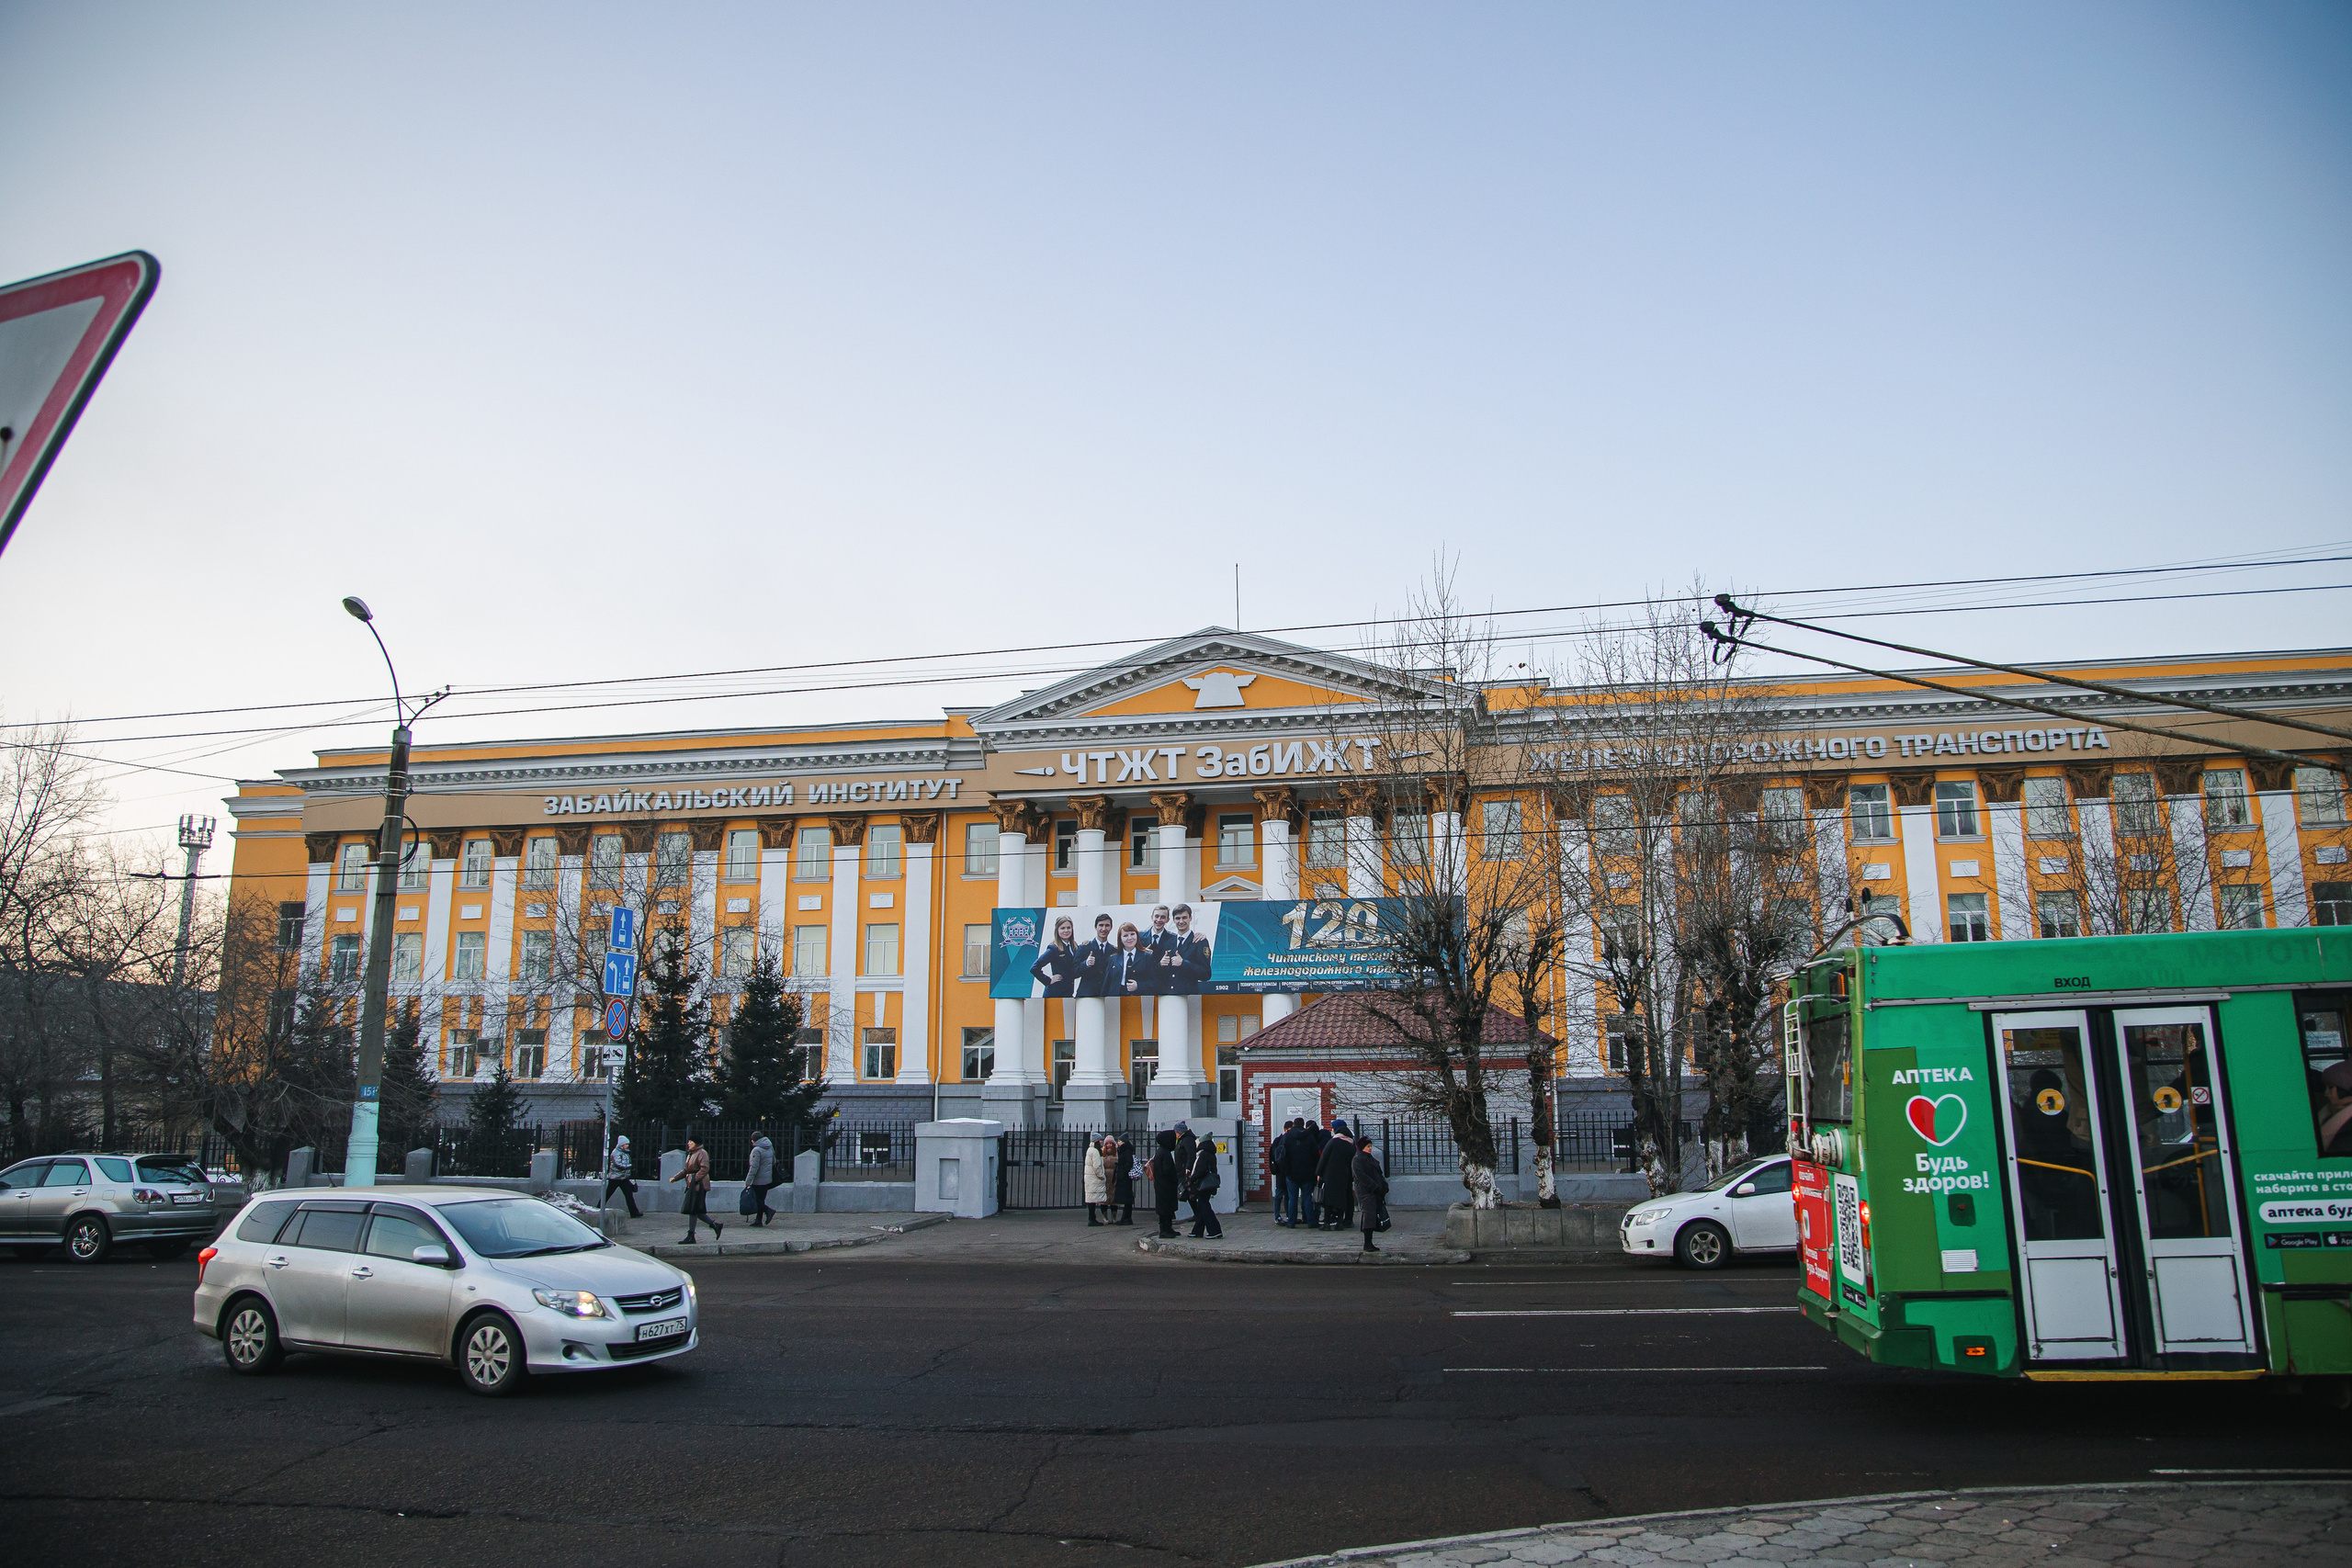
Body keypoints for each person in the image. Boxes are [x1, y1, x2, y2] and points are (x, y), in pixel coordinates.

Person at [671, 1137, 722, 1245]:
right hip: (693, 1184)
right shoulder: (691, 1153)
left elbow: (705, 1168)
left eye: (691, 1142)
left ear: (696, 1143)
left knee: (693, 1210)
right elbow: (686, 1170)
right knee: (696, 1210)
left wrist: (695, 1179)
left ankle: (691, 1236)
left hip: (699, 1185)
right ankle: (715, 1226)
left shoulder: (701, 1153)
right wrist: (675, 1178)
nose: (688, 1143)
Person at [1159, 904, 1213, 996]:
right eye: (1177, 918)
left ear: (1190, 918)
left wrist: (1184, 963)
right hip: (1167, 995)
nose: (1181, 921)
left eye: (1184, 918)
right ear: (1173, 920)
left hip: (1188, 996)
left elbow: (1206, 974)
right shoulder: (1168, 943)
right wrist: (1160, 964)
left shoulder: (1199, 941)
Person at [1316, 1118, 1356, 1230]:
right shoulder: (1350, 1144)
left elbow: (1324, 1158)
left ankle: (1327, 1223)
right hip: (1344, 1176)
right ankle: (1340, 1222)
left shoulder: (1333, 1142)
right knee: (1342, 1199)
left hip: (1330, 1175)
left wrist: (1319, 1173)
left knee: (1328, 1199)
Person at [1352, 1135, 1390, 1253]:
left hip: (1375, 1192)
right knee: (1368, 1215)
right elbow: (1361, 1176)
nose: (1370, 1149)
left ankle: (1370, 1242)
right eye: (1368, 1146)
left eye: (1370, 1146)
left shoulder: (1371, 1159)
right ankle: (1367, 1243)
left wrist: (1384, 1186)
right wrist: (1375, 1186)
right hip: (1365, 1192)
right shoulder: (1357, 1159)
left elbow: (1379, 1174)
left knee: (1373, 1216)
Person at [1282, 1119, 1321, 1227]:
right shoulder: (1309, 1136)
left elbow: (1283, 1154)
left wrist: (1286, 1169)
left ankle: (1291, 1222)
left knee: (1292, 1198)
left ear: (1293, 1124)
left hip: (1291, 1173)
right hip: (1307, 1172)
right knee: (1307, 1197)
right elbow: (1315, 1155)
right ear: (1303, 1125)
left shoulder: (1287, 1136)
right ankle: (1310, 1221)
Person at [1185, 1129, 1225, 1239]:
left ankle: (1215, 1230)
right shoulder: (1210, 1153)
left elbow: (1200, 1170)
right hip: (1207, 1184)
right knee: (1202, 1207)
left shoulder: (1203, 1155)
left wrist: (1192, 1179)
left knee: (1204, 1207)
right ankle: (1197, 1230)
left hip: (1203, 1185)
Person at [1029, 916, 1080, 997]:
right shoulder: (1053, 949)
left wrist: (1086, 944)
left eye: (1068, 928)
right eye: (1062, 928)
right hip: (1054, 994)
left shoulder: (1074, 946)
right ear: (1057, 930)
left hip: (1068, 993)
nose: (1066, 931)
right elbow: (1034, 968)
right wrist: (1048, 980)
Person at [1074, 914, 1117, 998]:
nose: (1104, 929)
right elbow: (1074, 972)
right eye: (1101, 925)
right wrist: (1085, 964)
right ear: (1095, 927)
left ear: (1111, 928)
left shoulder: (1114, 951)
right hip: (1086, 996)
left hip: (1106, 996)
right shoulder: (1084, 947)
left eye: (1107, 925)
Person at [1149, 1130, 1182, 1237]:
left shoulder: (1161, 1152)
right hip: (1166, 1186)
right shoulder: (1165, 1153)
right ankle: (1164, 1230)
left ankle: (1168, 1228)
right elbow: (1167, 1171)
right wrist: (1175, 1177)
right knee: (1165, 1209)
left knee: (1167, 1209)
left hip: (1162, 1185)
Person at [1136, 905, 1175, 995]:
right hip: (1143, 985)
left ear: (1168, 920)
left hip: (1164, 986)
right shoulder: (1139, 937)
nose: (1159, 920)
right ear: (1152, 917)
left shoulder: (1173, 938)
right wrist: (1142, 954)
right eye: (1156, 916)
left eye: (1163, 917)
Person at [601, 1134, 641, 1219]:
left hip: (623, 1178)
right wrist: (630, 1166)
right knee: (607, 1194)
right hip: (615, 1178)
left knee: (629, 1195)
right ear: (622, 1144)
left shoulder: (625, 1153)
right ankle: (598, 1209)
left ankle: (634, 1213)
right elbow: (618, 1164)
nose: (627, 1145)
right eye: (626, 1144)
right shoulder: (616, 1153)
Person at [1107, 922, 1151, 998]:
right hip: (1115, 1000)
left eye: (1132, 934)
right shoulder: (1113, 959)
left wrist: (1138, 986)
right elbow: (1107, 984)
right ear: (1120, 939)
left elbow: (1154, 982)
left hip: (1140, 999)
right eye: (1125, 935)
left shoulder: (1147, 957)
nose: (1130, 938)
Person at [744, 1134, 779, 1226]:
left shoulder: (756, 1150)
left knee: (756, 1199)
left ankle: (768, 1210)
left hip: (758, 1180)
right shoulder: (770, 1148)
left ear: (754, 1140)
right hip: (767, 1178)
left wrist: (748, 1181)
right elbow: (774, 1161)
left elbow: (754, 1167)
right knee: (761, 1199)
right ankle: (758, 1220)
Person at [2319, 1063, 2352, 1156]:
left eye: (2331, 1088)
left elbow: (2319, 1147)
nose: (2326, 1093)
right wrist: (2326, 1110)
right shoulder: (2332, 1112)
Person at [1271, 1119, 1299, 1227]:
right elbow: (1273, 1156)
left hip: (1287, 1171)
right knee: (1279, 1194)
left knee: (1288, 1195)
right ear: (1286, 1129)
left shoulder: (1287, 1140)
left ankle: (1289, 1215)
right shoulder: (1279, 1140)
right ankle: (1277, 1216)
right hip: (1281, 1172)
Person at [1111, 1132, 1137, 1224]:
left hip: (1125, 1177)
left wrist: (1124, 1172)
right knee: (1126, 1197)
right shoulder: (1124, 1150)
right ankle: (1125, 1217)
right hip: (1124, 1176)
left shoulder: (1127, 1151)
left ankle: (1127, 1218)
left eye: (1120, 1141)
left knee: (1127, 1197)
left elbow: (1128, 1163)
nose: (1118, 1143)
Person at [1083, 1134, 1110, 1225]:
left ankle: (1092, 1218)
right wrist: (1102, 1176)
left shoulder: (1089, 1150)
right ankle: (1092, 1219)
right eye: (1100, 1140)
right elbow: (1097, 1166)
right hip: (1094, 1179)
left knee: (1091, 1199)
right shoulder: (1095, 1151)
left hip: (1090, 1179)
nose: (1101, 1142)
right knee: (1093, 1200)